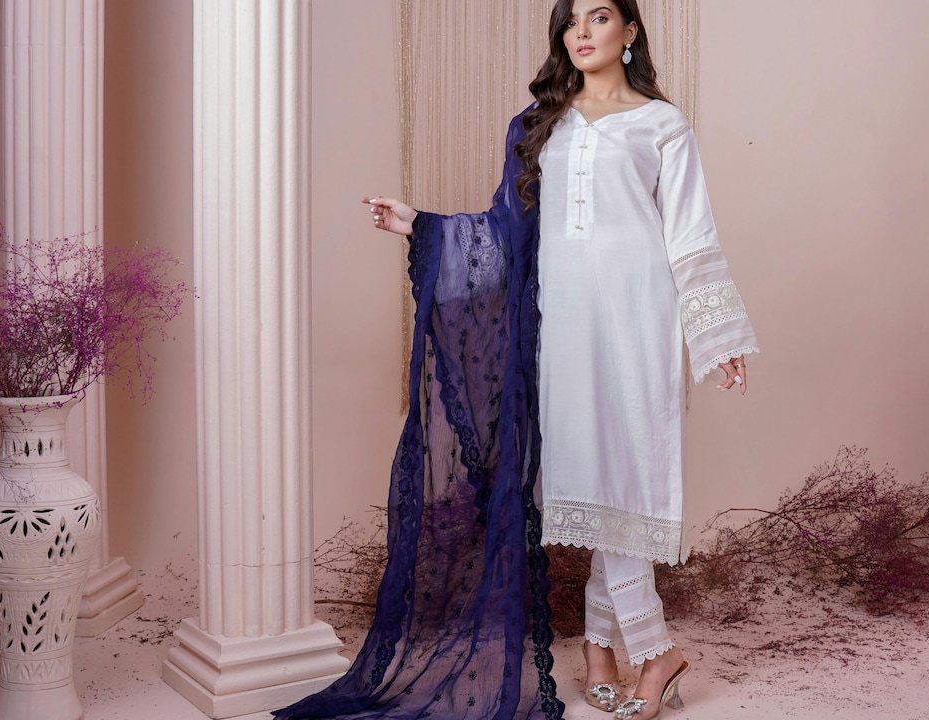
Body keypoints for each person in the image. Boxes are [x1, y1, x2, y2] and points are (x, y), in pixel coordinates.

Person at [275, 1, 757, 719]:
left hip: (637, 318)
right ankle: (618, 647)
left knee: (623, 474)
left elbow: (689, 235)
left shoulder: (662, 124)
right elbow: (505, 230)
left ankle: (644, 651)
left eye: (599, 17)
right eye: (571, 21)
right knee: (588, 475)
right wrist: (421, 225)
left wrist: (717, 335)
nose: (582, 32)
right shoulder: (538, 124)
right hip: (558, 324)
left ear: (630, 31)